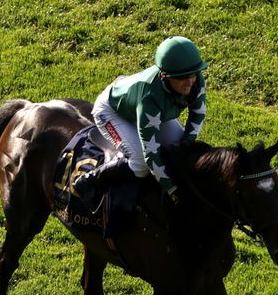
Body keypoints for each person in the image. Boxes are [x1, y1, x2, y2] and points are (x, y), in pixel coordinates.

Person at [73, 36, 208, 208]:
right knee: (140, 163)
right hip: (111, 111)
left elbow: (198, 114)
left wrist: (186, 144)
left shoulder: (196, 80)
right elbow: (150, 154)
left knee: (176, 146)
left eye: (192, 75)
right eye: (182, 77)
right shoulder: (149, 98)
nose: (189, 81)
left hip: (147, 109)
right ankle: (88, 181)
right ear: (165, 76)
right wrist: (173, 190)